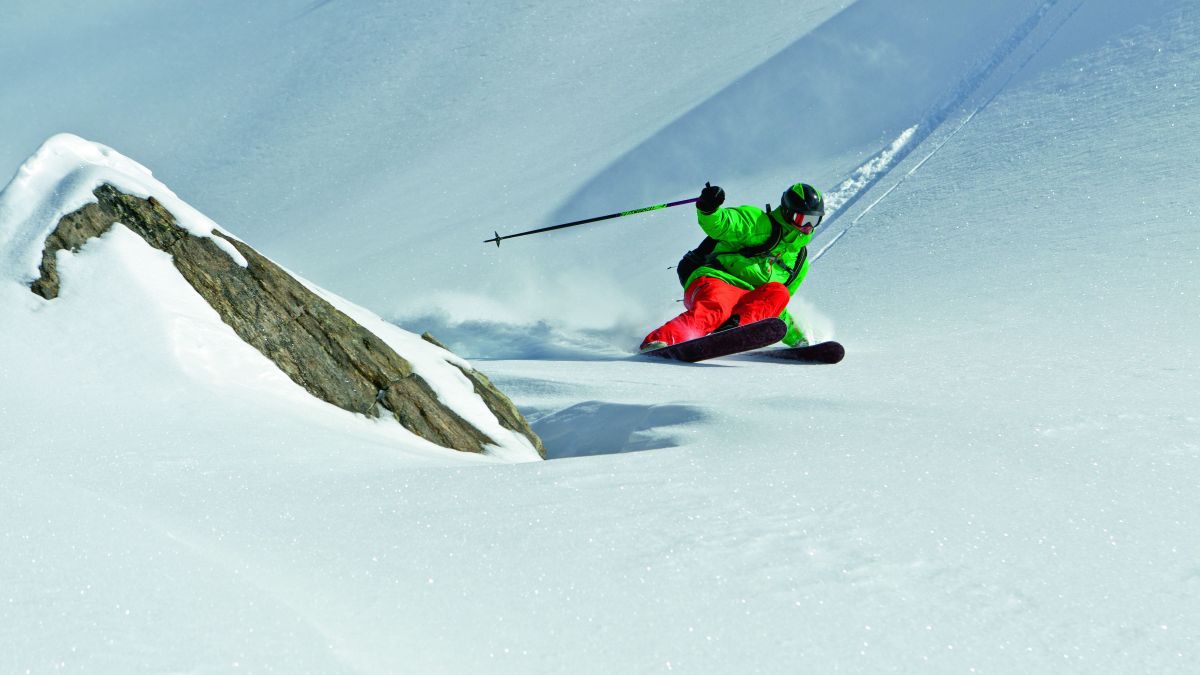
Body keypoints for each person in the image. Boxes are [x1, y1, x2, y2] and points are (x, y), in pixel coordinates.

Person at [640, 181, 825, 351]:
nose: (808, 227)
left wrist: (798, 339)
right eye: (802, 219)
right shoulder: (757, 222)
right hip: (716, 281)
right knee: (717, 308)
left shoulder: (800, 262)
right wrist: (709, 209)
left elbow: (773, 306)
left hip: (746, 306)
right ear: (787, 211)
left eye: (814, 221)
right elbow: (722, 224)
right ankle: (659, 341)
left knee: (779, 292)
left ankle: (735, 330)